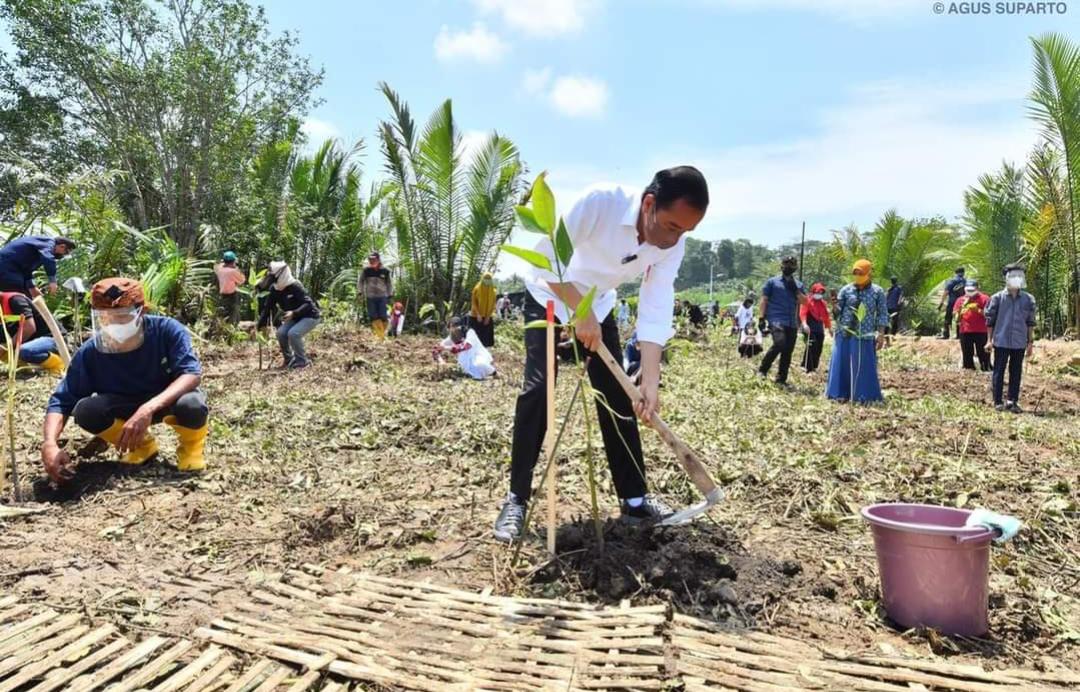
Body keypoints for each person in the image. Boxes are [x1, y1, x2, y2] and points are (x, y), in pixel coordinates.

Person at [494, 166, 709, 542]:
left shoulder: (671, 245)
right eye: (673, 226)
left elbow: (655, 307)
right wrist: (579, 311)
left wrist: (650, 381)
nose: (676, 239)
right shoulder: (601, 203)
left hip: (600, 304)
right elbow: (545, 261)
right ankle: (516, 500)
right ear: (648, 204)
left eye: (686, 232)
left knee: (618, 397)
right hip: (550, 294)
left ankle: (635, 499)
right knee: (539, 390)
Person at [40, 278, 208, 483]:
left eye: (122, 317)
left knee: (191, 404)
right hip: (124, 407)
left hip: (166, 400)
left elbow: (190, 374)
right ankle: (142, 447)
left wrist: (147, 409)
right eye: (105, 317)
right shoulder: (91, 353)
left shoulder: (167, 331)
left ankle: (190, 451)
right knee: (87, 411)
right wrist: (49, 443)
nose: (114, 323)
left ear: (141, 311)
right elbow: (62, 400)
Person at [826, 260, 888, 403]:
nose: (858, 276)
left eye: (861, 273)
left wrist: (881, 333)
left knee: (863, 365)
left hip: (864, 334)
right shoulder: (846, 290)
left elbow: (882, 314)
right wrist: (834, 305)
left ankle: (864, 396)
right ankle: (839, 394)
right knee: (842, 364)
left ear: (869, 273)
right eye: (856, 273)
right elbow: (837, 313)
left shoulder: (877, 292)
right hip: (844, 333)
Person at [986, 264, 1036, 413]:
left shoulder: (1028, 299)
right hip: (1001, 340)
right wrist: (989, 340)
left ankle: (1012, 401)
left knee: (1016, 371)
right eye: (1014, 276)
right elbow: (990, 321)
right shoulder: (997, 298)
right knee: (999, 371)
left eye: (1019, 276)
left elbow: (1030, 322)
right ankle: (997, 401)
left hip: (1019, 341)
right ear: (1006, 278)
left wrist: (1030, 342)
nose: (1017, 279)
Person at [258, 262, 321, 369]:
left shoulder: (294, 285)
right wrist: (259, 325)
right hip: (295, 317)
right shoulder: (275, 289)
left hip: (310, 316)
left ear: (281, 275)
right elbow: (268, 308)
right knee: (281, 333)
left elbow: (308, 304)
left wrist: (294, 313)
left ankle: (302, 362)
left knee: (293, 333)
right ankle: (289, 360)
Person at [757, 256, 807, 387]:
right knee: (780, 343)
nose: (788, 267)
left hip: (792, 322)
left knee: (788, 351)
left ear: (795, 268)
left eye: (791, 265)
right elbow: (764, 300)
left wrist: (795, 290)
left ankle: (781, 379)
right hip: (776, 319)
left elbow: (805, 302)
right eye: (786, 264)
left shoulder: (799, 285)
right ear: (781, 266)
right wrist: (761, 318)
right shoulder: (772, 282)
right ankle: (762, 370)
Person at [0, 291, 65, 375]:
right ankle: (24, 367)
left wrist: (7, 346)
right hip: (32, 341)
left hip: (53, 338)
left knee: (23, 351)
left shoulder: (15, 300)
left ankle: (58, 365)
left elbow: (30, 328)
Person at [0, 235, 76, 296]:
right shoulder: (49, 243)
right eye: (66, 252)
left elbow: (27, 271)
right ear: (62, 246)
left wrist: (32, 288)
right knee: (18, 294)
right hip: (7, 266)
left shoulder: (40, 252)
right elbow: (48, 258)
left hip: (13, 270)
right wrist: (52, 281)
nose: (64, 255)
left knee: (26, 296)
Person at [953, 279, 991, 372]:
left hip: (981, 331)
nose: (970, 293)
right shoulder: (960, 300)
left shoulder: (985, 298)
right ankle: (969, 371)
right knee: (967, 355)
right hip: (965, 331)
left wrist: (978, 310)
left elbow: (990, 315)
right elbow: (956, 318)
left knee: (983, 355)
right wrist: (961, 311)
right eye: (968, 290)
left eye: (972, 290)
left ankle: (986, 369)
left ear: (977, 289)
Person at [359, 251, 392, 340]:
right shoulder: (366, 270)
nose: (371, 261)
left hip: (382, 296)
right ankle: (379, 335)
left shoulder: (385, 271)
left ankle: (383, 332)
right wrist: (360, 292)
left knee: (383, 315)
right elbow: (360, 281)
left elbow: (389, 284)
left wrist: (390, 294)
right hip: (370, 296)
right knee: (373, 316)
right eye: (370, 259)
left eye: (373, 259)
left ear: (378, 259)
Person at [800, 282, 832, 373]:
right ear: (813, 292)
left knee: (819, 346)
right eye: (818, 292)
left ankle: (814, 366)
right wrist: (804, 324)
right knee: (811, 345)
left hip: (819, 327)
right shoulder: (807, 301)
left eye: (821, 293)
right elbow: (803, 313)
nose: (819, 295)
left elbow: (826, 316)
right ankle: (806, 366)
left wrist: (829, 328)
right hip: (809, 326)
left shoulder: (823, 304)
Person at [214, 251, 246, 326]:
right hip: (232, 295)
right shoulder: (233, 271)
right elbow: (242, 280)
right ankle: (233, 326)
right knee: (233, 312)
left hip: (222, 294)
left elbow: (218, 265)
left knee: (224, 312)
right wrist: (237, 269)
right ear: (233, 261)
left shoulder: (219, 269)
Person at [939, 267, 967, 340]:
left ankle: (946, 334)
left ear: (955, 273)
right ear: (963, 273)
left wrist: (941, 302)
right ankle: (959, 335)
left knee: (948, 317)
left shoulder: (952, 281)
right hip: (962, 302)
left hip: (952, 302)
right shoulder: (965, 281)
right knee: (960, 318)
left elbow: (946, 292)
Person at [470, 272, 497, 348]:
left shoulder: (493, 291)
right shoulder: (477, 289)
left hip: (487, 317)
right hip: (476, 316)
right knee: (476, 337)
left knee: (486, 339)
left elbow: (493, 305)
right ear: (482, 279)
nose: (487, 280)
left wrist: (488, 316)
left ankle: (484, 354)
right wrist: (478, 314)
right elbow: (473, 303)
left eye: (489, 279)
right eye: (486, 279)